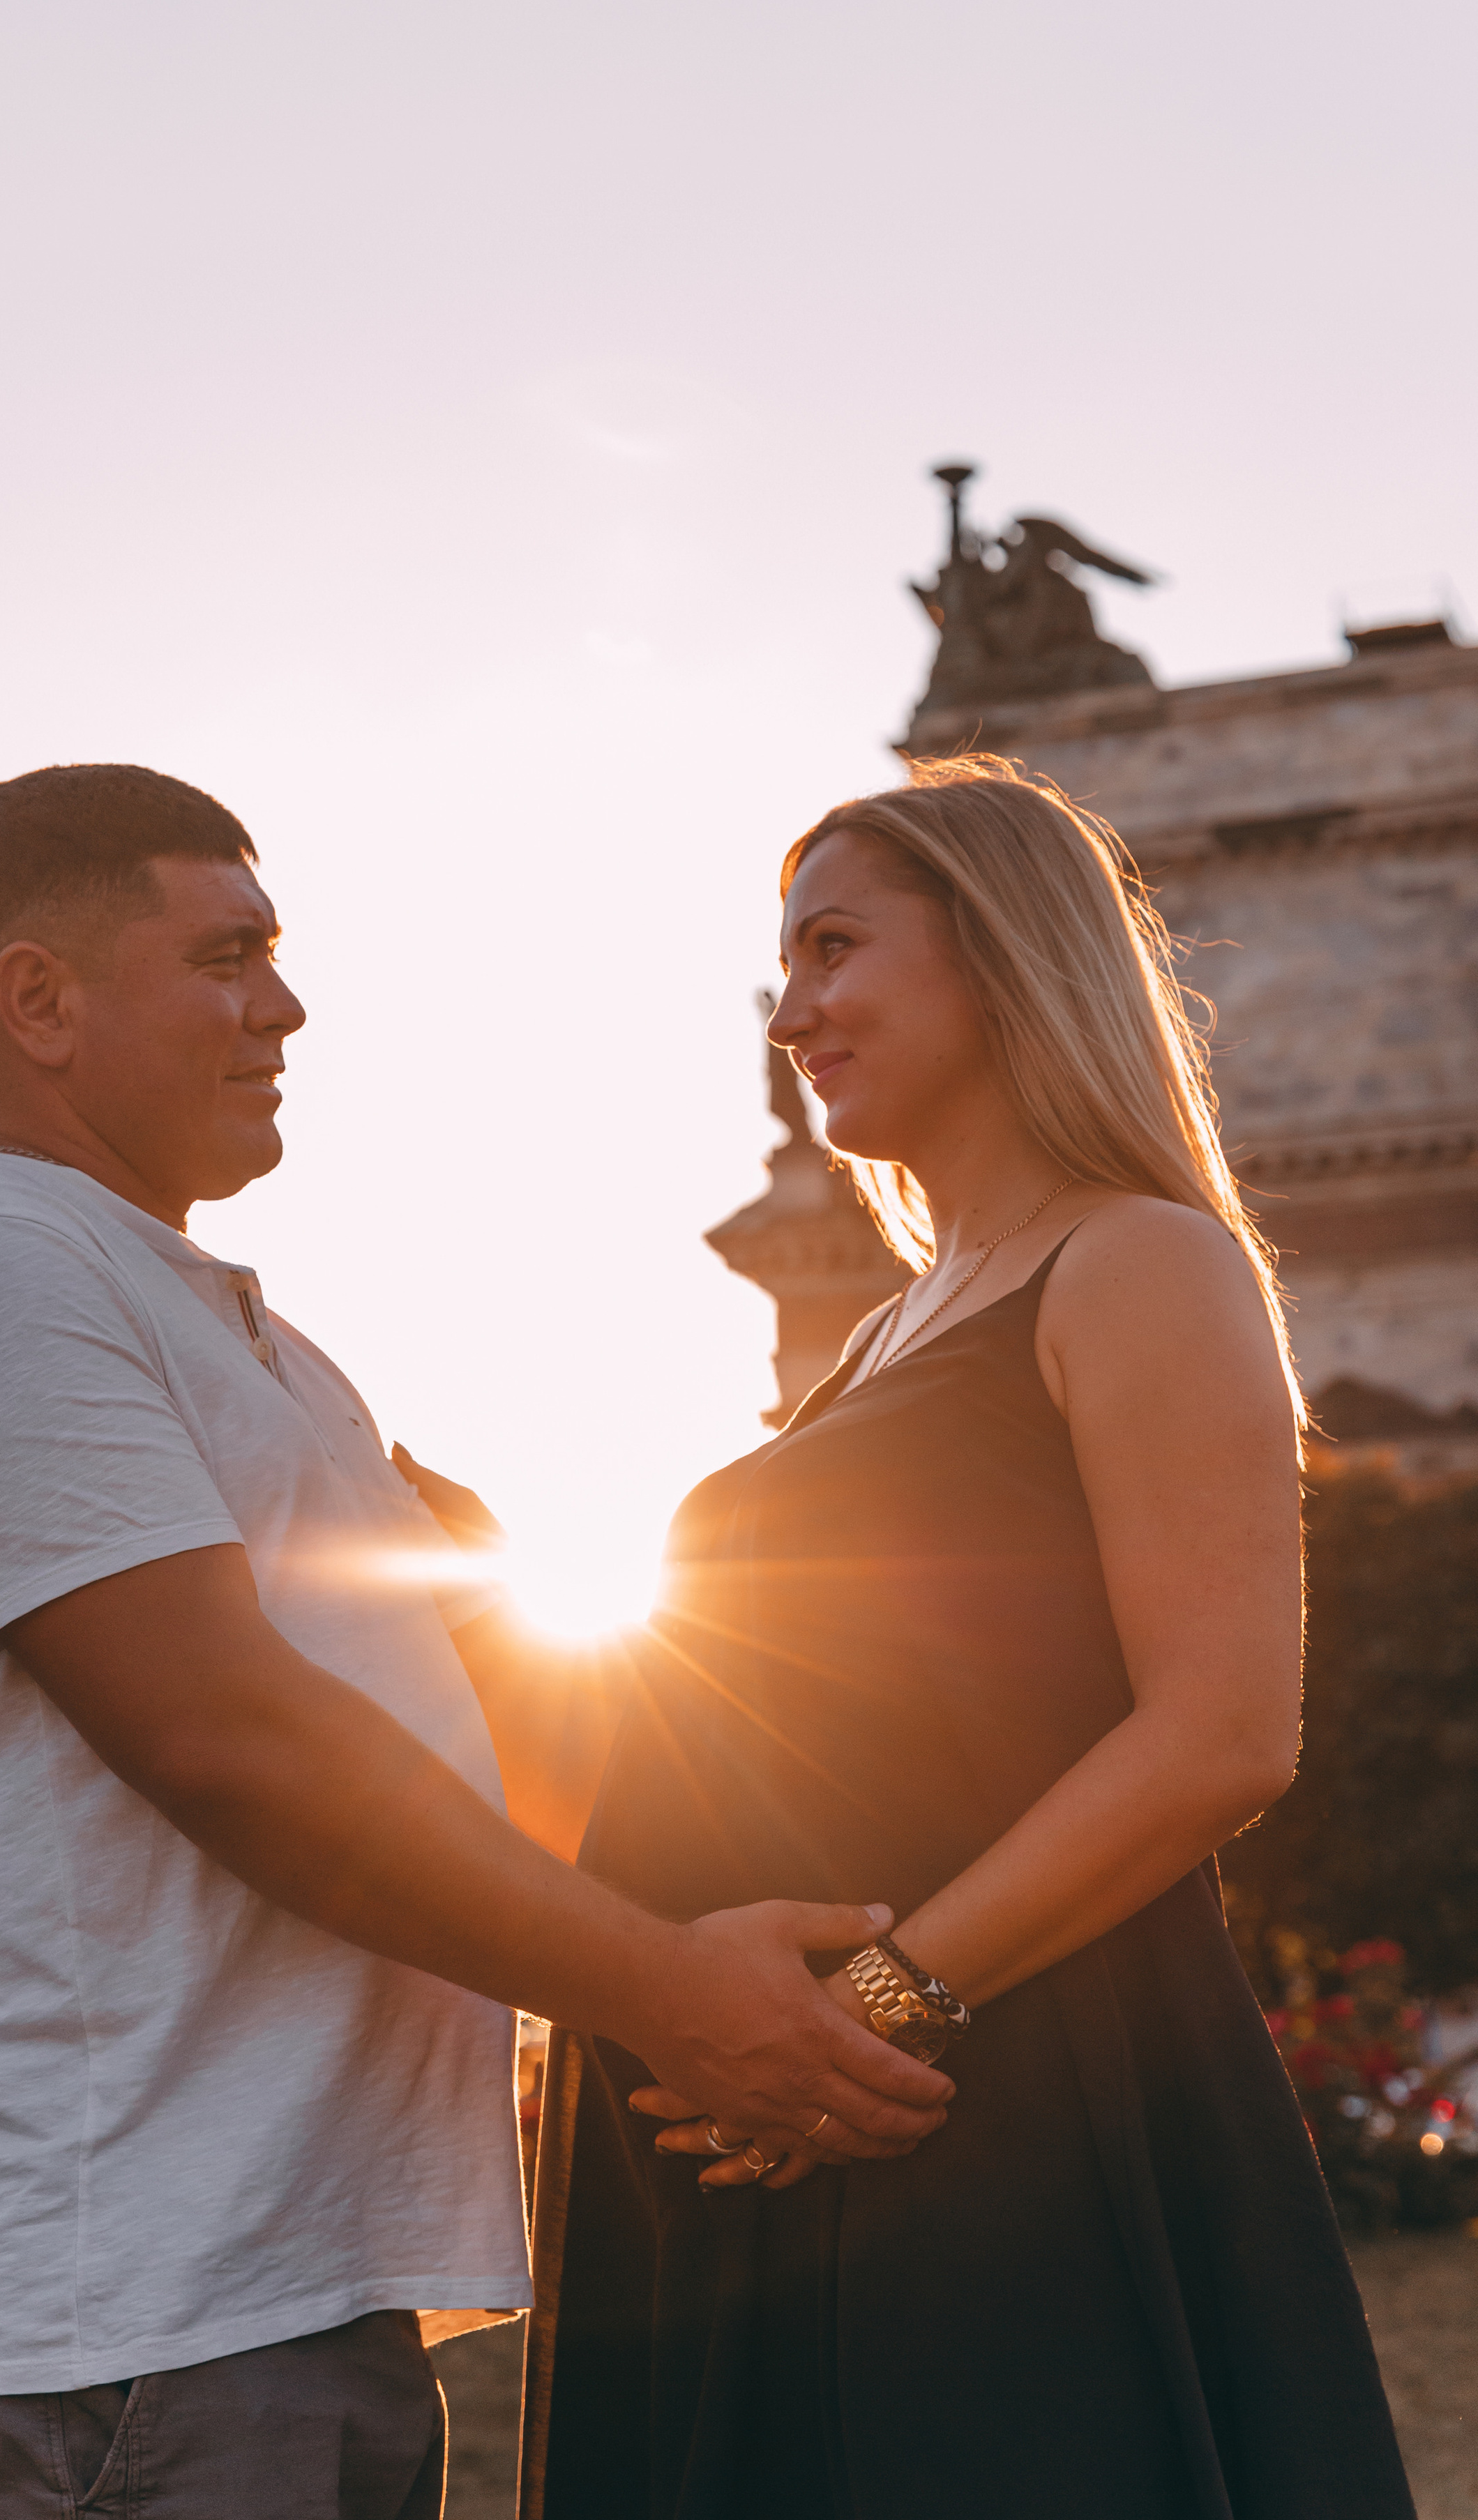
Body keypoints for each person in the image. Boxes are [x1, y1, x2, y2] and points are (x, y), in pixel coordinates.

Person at [0, 764, 948, 2520]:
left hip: (302, 2307)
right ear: (39, 999)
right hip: (120, 2339)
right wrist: (672, 1999)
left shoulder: (272, 1357)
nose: (284, 1004)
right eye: (227, 954)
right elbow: (230, 1747)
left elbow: (483, 1793)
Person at [525, 754, 1415, 2520]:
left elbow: (1222, 1731)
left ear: (1004, 953)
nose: (791, 1010)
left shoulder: (1141, 1260)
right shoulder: (888, 1328)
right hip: (801, 2113)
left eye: (833, 948)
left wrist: (870, 2007)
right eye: (782, 969)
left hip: (976, 2102)